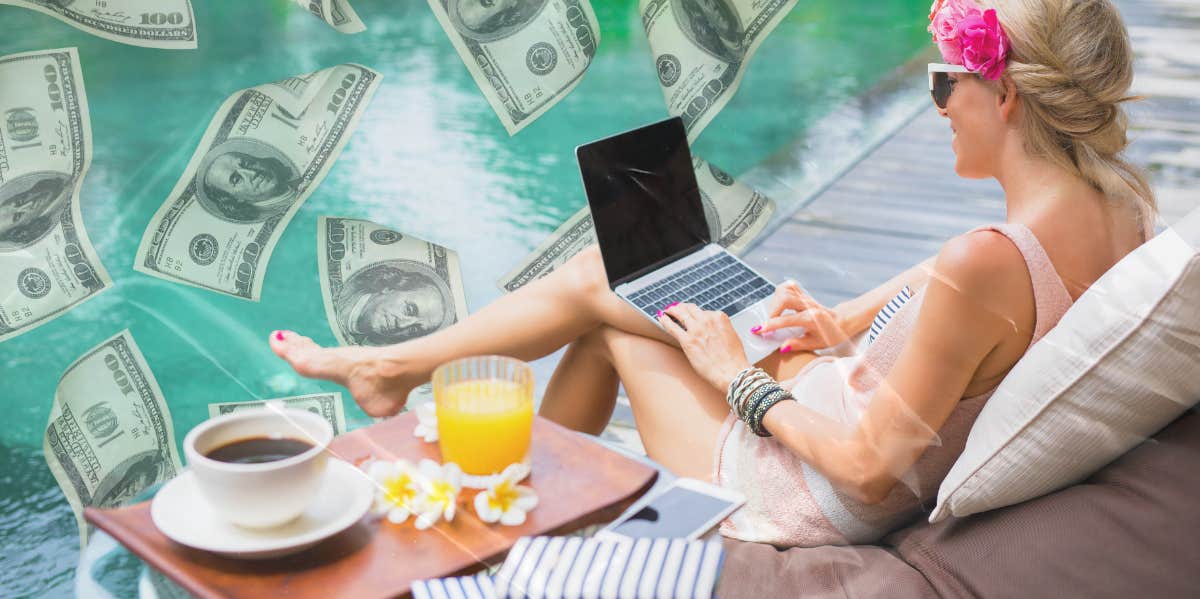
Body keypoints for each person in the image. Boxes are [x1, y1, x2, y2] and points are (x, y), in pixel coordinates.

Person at [270, 0, 1154, 546]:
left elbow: (872, 471)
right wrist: (841, 324)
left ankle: (440, 436)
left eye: (941, 84)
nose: (937, 107)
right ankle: (474, 464)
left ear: (1002, 97)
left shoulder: (986, 262)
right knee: (618, 282)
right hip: (835, 389)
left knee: (603, 298)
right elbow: (974, 321)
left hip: (810, 486)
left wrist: (735, 376)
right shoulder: (1118, 207)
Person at [335, 261, 457, 346]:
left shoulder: (358, 350)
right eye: (409, 310)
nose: (402, 325)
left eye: (414, 329)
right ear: (389, 287)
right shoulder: (341, 291)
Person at [196, 144, 299, 223]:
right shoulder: (271, 219)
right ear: (235, 199)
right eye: (236, 179)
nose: (252, 173)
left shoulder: (300, 180)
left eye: (246, 163)